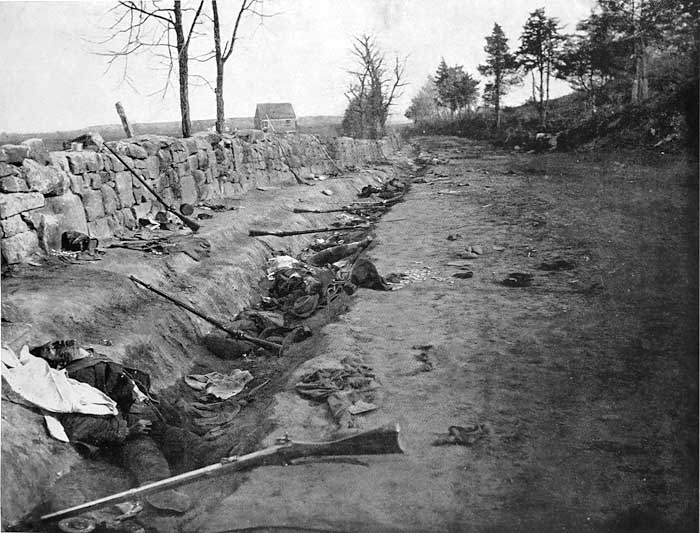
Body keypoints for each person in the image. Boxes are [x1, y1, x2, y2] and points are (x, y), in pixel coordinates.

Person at [31, 341, 231, 495]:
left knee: (182, 438)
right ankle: (157, 493)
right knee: (147, 457)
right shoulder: (74, 382)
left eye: (57, 341)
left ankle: (221, 455)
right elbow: (79, 425)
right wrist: (128, 429)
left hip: (148, 420)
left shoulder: (95, 360)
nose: (63, 342)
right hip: (123, 434)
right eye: (54, 349)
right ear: (61, 363)